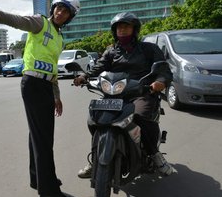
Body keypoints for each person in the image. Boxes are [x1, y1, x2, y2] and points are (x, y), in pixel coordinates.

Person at [0, 0, 80, 197]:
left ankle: (38, 179)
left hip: (45, 86)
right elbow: (17, 21)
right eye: (59, 8)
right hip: (33, 84)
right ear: (53, 9)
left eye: (66, 11)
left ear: (70, 17)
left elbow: (52, 69)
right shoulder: (40, 23)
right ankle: (49, 192)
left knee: (37, 135)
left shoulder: (59, 39)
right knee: (44, 140)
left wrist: (56, 96)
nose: (60, 13)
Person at [73, 12, 176, 178]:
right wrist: (84, 77)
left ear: (134, 29)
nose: (122, 29)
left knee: (141, 117)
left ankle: (154, 154)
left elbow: (163, 69)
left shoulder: (148, 49)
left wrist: (160, 82)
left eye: (126, 26)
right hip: (115, 93)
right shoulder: (111, 51)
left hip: (142, 91)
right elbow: (98, 67)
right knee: (96, 118)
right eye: (119, 27)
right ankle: (95, 159)